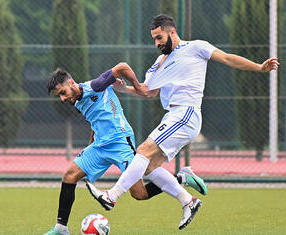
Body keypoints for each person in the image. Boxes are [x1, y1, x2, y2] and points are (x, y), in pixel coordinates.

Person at [85, 14, 280, 230]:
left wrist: (259, 67)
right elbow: (148, 92)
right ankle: (188, 201)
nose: (157, 43)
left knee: (142, 151)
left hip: (186, 113)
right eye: (154, 39)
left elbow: (227, 58)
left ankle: (111, 196)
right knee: (148, 166)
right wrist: (123, 89)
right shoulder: (160, 61)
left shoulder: (196, 47)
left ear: (172, 32)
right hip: (173, 116)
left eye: (159, 37)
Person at [43, 63, 207, 235]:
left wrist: (138, 87)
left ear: (72, 83)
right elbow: (97, 116)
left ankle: (181, 178)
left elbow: (122, 67)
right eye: (59, 96)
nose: (62, 98)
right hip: (99, 146)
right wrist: (92, 139)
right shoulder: (76, 101)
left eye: (63, 93)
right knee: (69, 176)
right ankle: (61, 229)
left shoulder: (95, 86)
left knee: (139, 193)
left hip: (121, 142)